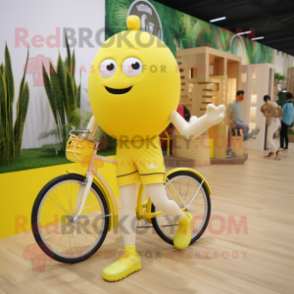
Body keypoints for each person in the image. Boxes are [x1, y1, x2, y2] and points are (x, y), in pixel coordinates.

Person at [87, 15, 226, 281]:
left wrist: (208, 120)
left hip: (148, 147)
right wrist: (85, 137)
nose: (116, 76)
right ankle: (131, 255)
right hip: (124, 148)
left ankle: (183, 220)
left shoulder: (165, 105)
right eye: (109, 68)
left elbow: (185, 131)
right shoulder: (104, 100)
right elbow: (99, 113)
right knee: (126, 204)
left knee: (160, 200)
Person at [261, 95, 283, 159]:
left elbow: (279, 111)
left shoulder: (273, 104)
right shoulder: (267, 107)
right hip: (274, 123)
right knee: (270, 139)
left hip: (274, 122)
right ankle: (272, 152)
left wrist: (280, 114)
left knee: (269, 139)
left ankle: (277, 152)